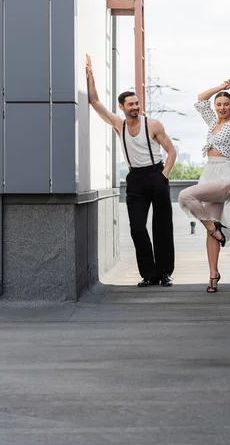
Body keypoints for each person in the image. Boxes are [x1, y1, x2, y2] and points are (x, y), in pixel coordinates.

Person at [86, 54, 176, 287]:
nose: (135, 107)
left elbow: (171, 152)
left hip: (156, 174)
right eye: (131, 105)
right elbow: (95, 103)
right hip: (135, 178)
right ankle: (149, 273)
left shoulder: (153, 124)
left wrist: (163, 175)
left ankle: (164, 272)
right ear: (122, 107)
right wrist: (91, 77)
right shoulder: (119, 124)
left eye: (137, 104)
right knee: (137, 227)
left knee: (162, 226)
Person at [178, 80, 230, 293]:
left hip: (225, 175)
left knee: (185, 195)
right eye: (218, 104)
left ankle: (214, 228)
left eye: (225, 104)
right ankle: (213, 274)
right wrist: (220, 86)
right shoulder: (212, 123)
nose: (221, 107)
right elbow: (201, 99)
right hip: (208, 173)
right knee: (212, 226)